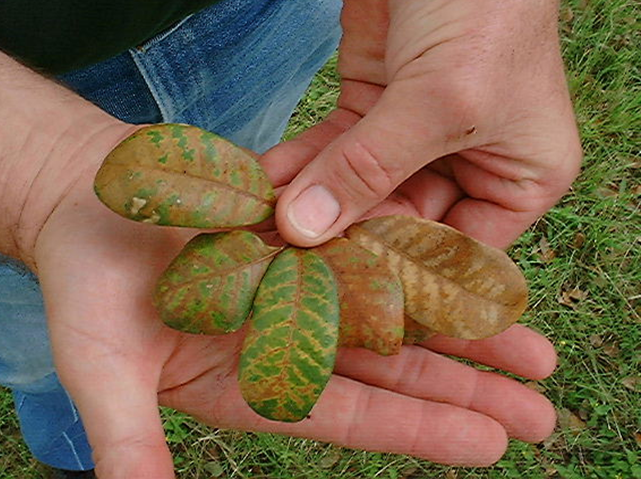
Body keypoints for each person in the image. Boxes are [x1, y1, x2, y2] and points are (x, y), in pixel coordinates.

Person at [0, 0, 582, 477]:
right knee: (42, 342)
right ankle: (69, 450)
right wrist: (35, 170)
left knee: (264, 161)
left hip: (266, 19)